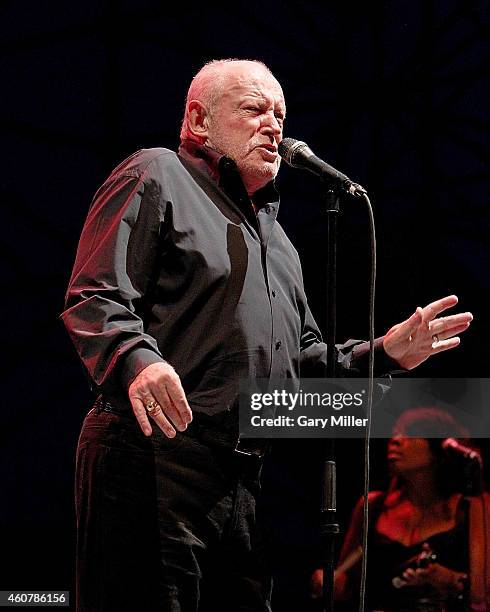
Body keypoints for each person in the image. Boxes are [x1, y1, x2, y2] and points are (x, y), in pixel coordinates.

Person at [61, 59, 474, 611]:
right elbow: (96, 293)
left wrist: (386, 352)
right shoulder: (157, 172)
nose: (274, 126)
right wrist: (139, 359)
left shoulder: (278, 242)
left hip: (243, 478)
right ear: (199, 120)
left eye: (280, 114)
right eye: (254, 110)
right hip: (150, 457)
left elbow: (300, 363)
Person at [311, 407, 490, 611]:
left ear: (440, 447)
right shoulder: (372, 506)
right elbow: (347, 584)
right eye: (394, 432)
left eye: (410, 432)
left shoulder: (471, 508)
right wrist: (331, 583)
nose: (394, 440)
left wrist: (452, 581)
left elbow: (483, 594)